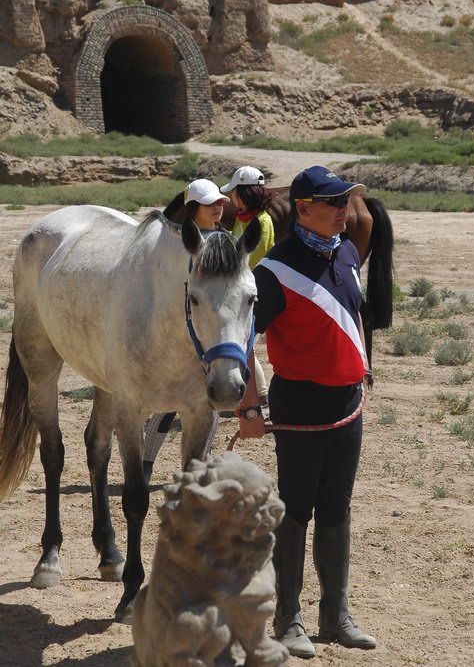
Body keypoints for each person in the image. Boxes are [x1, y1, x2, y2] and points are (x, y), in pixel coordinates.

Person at [237, 166, 376, 658]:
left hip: (346, 405)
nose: (345, 211)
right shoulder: (271, 273)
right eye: (334, 203)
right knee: (297, 509)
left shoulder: (345, 254)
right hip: (300, 405)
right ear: (303, 209)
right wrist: (249, 406)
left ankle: (336, 614)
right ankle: (289, 618)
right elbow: (243, 340)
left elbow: (354, 315)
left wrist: (363, 368)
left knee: (337, 507)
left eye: (345, 202)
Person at [142, 179, 229, 481]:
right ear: (193, 208)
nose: (218, 207)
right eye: (210, 203)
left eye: (220, 202)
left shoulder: (225, 238)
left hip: (214, 334)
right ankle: (145, 463)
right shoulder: (174, 243)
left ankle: (198, 465)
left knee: (209, 405)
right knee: (166, 408)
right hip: (179, 336)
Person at [220, 166, 275, 402]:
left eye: (234, 192)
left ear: (244, 193)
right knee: (245, 343)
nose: (231, 198)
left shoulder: (261, 222)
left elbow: (251, 259)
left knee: (245, 342)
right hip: (239, 288)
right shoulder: (245, 219)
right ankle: (261, 392)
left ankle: (256, 393)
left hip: (249, 291)